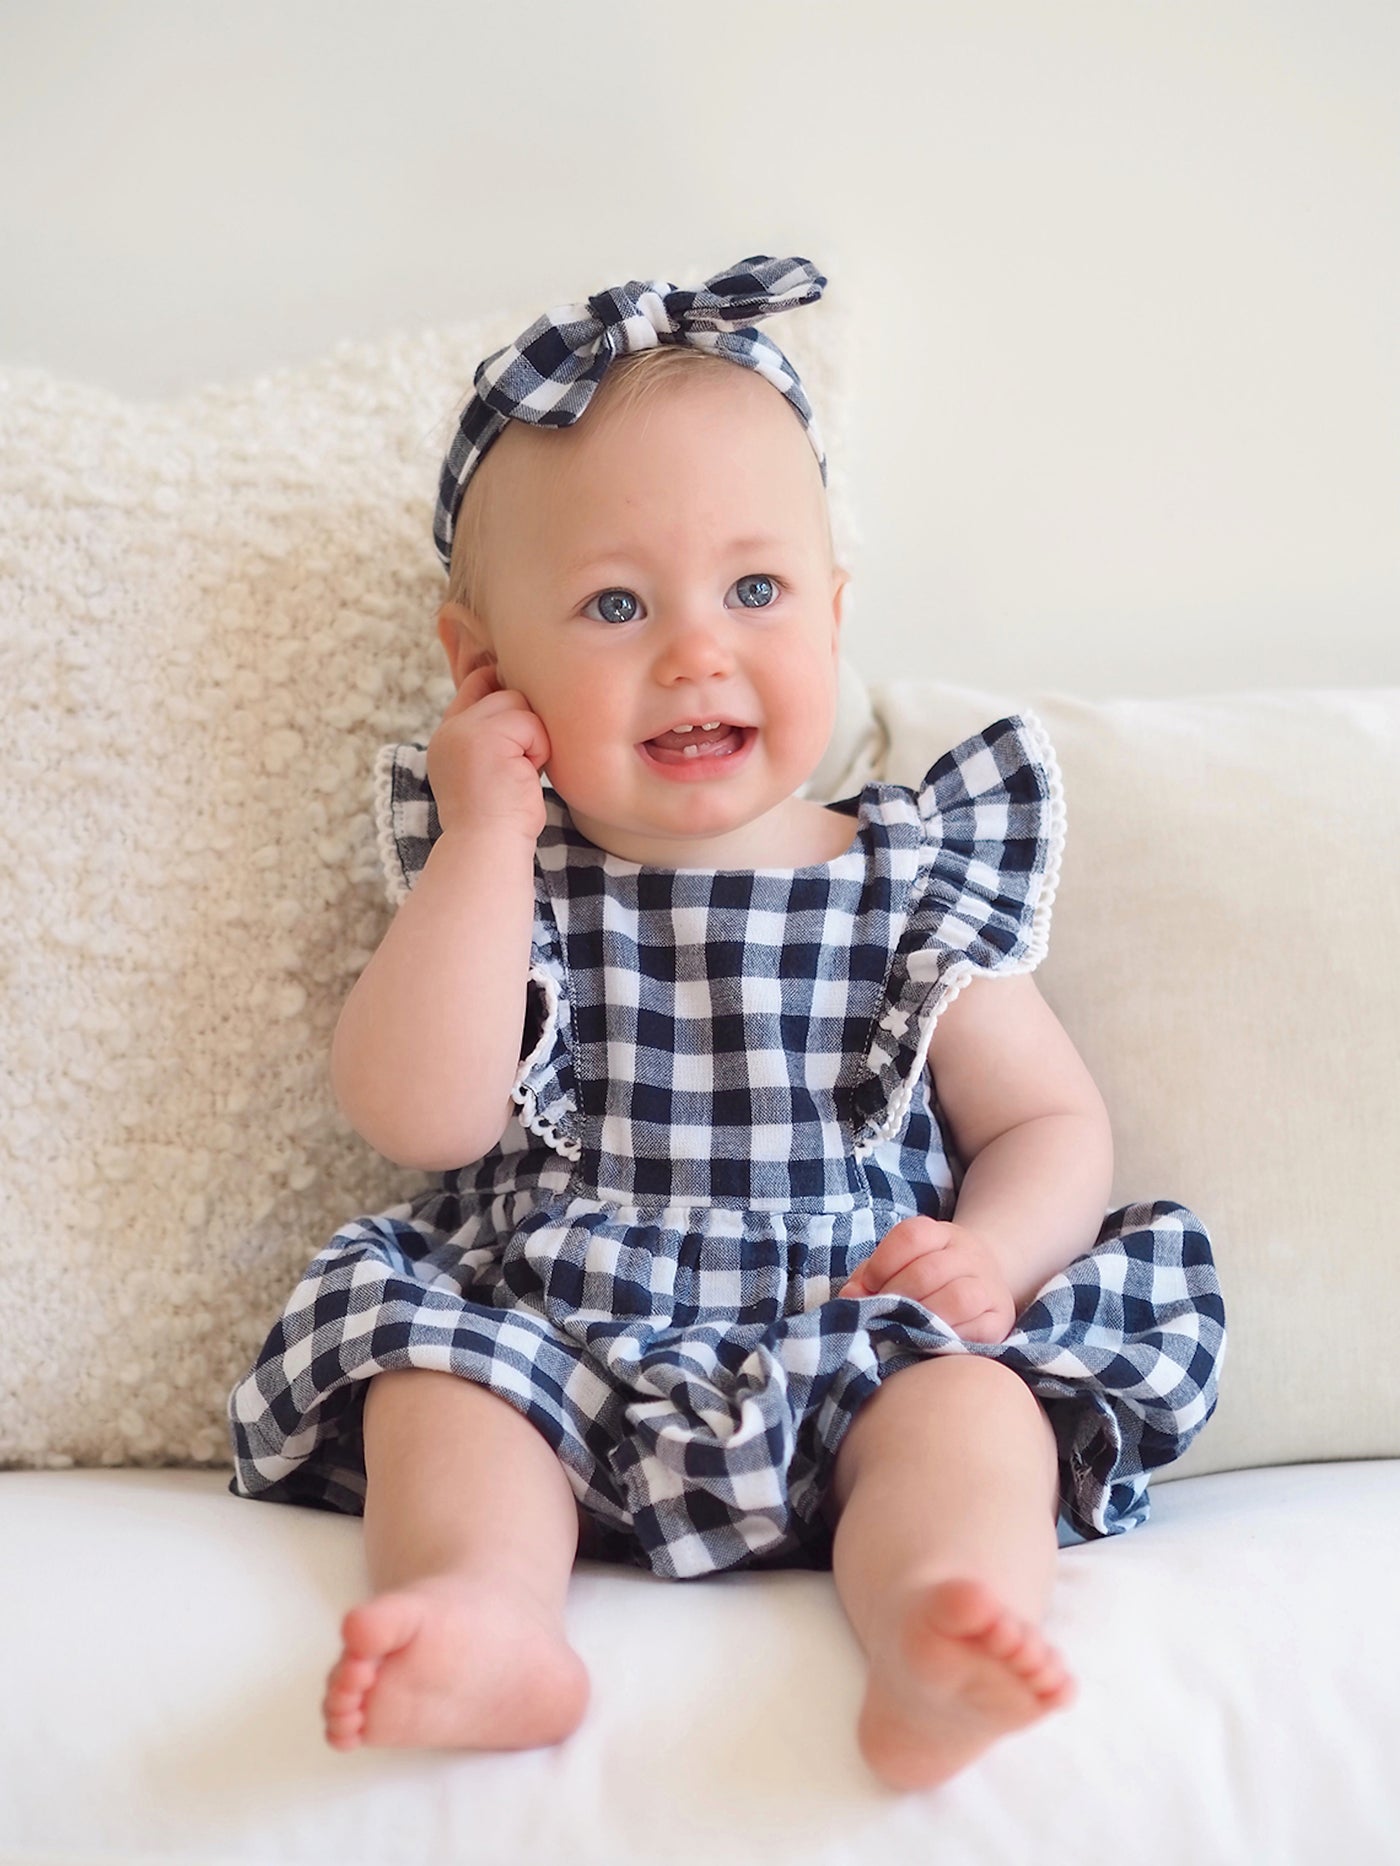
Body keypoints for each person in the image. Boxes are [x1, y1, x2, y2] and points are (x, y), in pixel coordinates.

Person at [227, 256, 1226, 1791]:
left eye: (753, 590)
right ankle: (489, 1617)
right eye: (617, 603)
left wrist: (997, 1253)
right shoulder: (513, 879)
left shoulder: (910, 871)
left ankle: (937, 1629)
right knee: (442, 1384)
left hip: (853, 1327)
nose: (696, 648)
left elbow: (1046, 1120)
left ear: (831, 612)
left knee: (970, 1415)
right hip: (557, 1337)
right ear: (486, 672)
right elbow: (422, 1118)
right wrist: (484, 837)